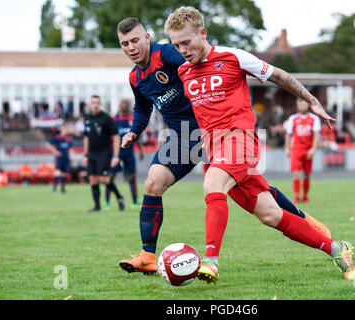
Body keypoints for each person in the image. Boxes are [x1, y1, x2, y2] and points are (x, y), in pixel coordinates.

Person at [116, 17, 330, 276]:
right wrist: (134, 132)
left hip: (214, 131)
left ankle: (303, 220)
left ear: (147, 38)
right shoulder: (135, 78)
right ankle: (148, 255)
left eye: (135, 40)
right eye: (125, 43)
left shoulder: (170, 54)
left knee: (253, 191)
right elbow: (142, 108)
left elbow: (200, 59)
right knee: (153, 182)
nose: (131, 47)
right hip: (184, 137)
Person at [165, 6, 355, 283]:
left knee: (212, 184)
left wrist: (313, 101)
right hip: (214, 151)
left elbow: (280, 76)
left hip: (241, 141)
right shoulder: (183, 72)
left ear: (202, 33)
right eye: (176, 45)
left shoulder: (233, 57)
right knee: (270, 215)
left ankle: (210, 262)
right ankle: (337, 248)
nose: (182, 49)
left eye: (186, 42)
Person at [82, 95, 124, 213]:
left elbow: (116, 137)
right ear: (89, 105)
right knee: (92, 178)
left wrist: (116, 156)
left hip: (104, 153)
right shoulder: (87, 118)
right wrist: (85, 155)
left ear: (100, 105)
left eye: (97, 103)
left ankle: (119, 196)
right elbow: (86, 137)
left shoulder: (106, 118)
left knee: (103, 178)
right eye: (93, 103)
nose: (95, 105)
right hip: (91, 153)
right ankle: (97, 207)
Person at [105, 99, 144, 210]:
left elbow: (137, 137)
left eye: (127, 104)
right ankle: (107, 202)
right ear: (119, 105)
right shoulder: (113, 119)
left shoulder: (132, 119)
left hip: (129, 154)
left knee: (132, 177)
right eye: (123, 103)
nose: (125, 105)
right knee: (110, 177)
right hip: (116, 154)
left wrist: (140, 150)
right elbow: (108, 137)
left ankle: (135, 201)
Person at [284, 97, 321, 203]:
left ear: (308, 105)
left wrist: (313, 149)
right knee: (296, 173)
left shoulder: (314, 119)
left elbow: (316, 135)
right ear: (297, 105)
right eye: (299, 104)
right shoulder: (293, 118)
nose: (301, 105)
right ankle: (296, 197)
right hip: (296, 149)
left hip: (308, 149)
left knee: (307, 173)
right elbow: (288, 135)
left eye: (304, 103)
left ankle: (305, 196)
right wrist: (287, 148)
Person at [45, 124, 73, 193]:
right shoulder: (58, 137)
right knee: (58, 172)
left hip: (66, 158)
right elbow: (48, 144)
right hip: (59, 158)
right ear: (61, 129)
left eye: (66, 129)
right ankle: (54, 189)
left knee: (64, 173)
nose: (65, 130)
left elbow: (70, 148)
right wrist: (55, 151)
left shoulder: (68, 138)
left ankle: (63, 189)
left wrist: (71, 157)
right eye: (64, 129)